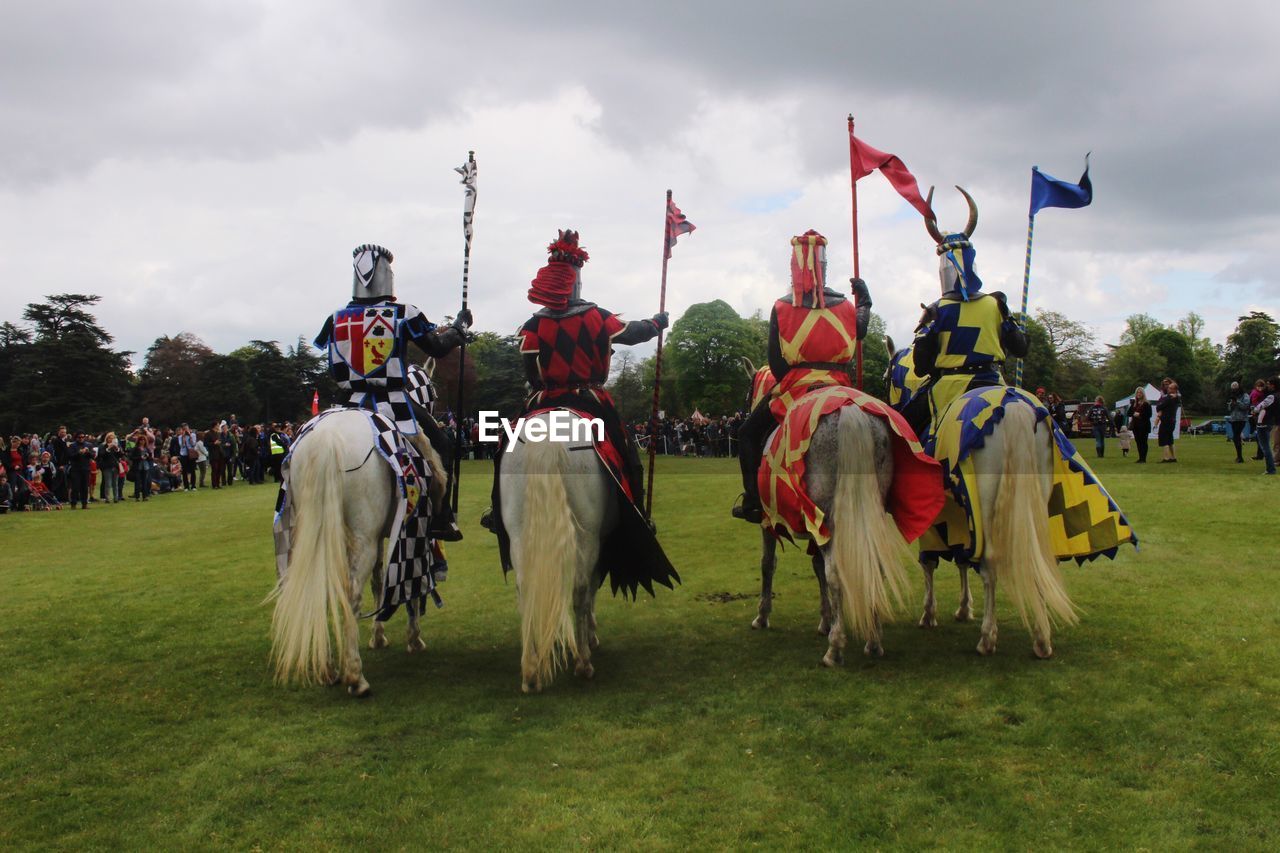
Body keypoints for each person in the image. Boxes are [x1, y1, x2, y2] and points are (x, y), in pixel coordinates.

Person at [482, 228, 668, 526]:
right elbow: (633, 334)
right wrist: (656, 323)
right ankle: (637, 513)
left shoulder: (533, 325)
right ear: (576, 280)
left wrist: (540, 387)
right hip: (589, 398)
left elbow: (530, 370)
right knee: (624, 446)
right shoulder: (596, 316)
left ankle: (496, 510)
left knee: (506, 442)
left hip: (542, 398)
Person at [314, 243, 472, 540]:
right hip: (393, 400)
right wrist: (459, 329)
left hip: (346, 403)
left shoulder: (335, 319)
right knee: (440, 443)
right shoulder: (402, 312)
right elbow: (437, 348)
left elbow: (333, 367)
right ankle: (440, 517)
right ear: (387, 274)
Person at [732, 230, 870, 522]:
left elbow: (776, 363)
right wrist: (865, 302)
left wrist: (791, 380)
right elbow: (861, 329)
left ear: (795, 265)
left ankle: (754, 502)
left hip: (797, 388)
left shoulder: (782, 307)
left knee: (747, 434)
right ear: (825, 265)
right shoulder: (847, 305)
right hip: (840, 387)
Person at [909, 192, 1028, 439]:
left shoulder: (938, 309)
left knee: (904, 427)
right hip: (994, 381)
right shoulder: (996, 305)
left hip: (950, 387)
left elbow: (920, 367)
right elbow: (1020, 348)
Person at [1251, 377, 1277, 476]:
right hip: (1269, 422)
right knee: (1265, 445)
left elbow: (1260, 406)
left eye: (1268, 384)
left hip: (1264, 422)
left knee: (1265, 447)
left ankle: (1271, 469)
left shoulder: (1271, 396)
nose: (1267, 385)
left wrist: (1254, 410)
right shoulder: (1273, 395)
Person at [1156, 380, 1181, 463]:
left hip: (1166, 420)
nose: (1168, 388)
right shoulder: (1177, 398)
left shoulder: (1169, 398)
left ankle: (1166, 458)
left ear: (1174, 390)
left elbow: (1159, 407)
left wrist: (1159, 407)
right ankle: (1173, 457)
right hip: (1172, 421)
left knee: (1164, 439)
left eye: (1170, 388)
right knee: (1170, 440)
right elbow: (1179, 397)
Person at [1226, 380, 1251, 463]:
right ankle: (1239, 456)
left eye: (1235, 389)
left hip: (1241, 419)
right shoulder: (1233, 396)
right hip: (1233, 419)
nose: (1234, 391)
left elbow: (1246, 406)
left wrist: (1237, 402)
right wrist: (1232, 404)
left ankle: (1240, 457)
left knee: (1236, 436)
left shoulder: (1245, 396)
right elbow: (1229, 409)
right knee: (1235, 437)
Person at [1130, 386, 1152, 463]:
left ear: (1143, 394)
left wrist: (1139, 414)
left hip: (1144, 425)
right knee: (1138, 441)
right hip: (1136, 425)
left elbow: (1149, 415)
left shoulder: (1146, 404)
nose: (1138, 394)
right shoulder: (1134, 403)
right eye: (1137, 393)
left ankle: (1143, 458)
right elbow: (1128, 413)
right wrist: (1133, 413)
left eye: (1140, 392)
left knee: (1143, 442)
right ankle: (1140, 458)